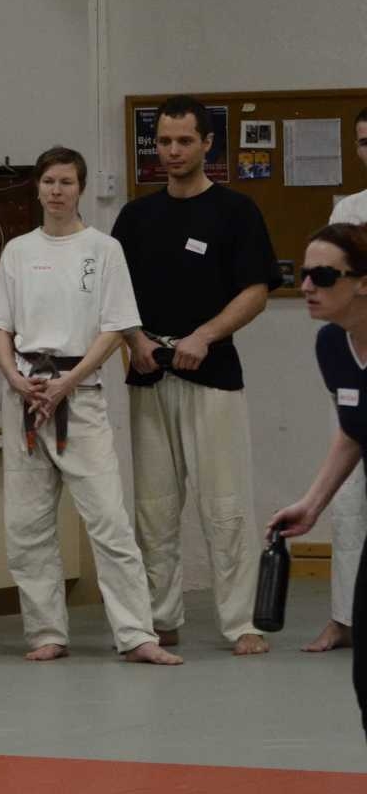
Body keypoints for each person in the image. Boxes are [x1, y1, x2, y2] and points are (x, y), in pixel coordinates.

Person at [0, 147, 179, 664]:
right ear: (37, 187)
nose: (56, 191)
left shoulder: (104, 249)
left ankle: (136, 634)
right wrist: (14, 379)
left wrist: (67, 382)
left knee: (109, 520)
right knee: (27, 525)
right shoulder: (19, 250)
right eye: (48, 181)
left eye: (66, 182)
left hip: (80, 393)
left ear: (81, 188)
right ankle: (46, 631)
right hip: (25, 394)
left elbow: (115, 329)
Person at [116, 95, 279, 657]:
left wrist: (205, 335)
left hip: (213, 375)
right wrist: (134, 339)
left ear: (208, 144)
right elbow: (113, 295)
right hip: (149, 373)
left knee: (225, 504)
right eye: (164, 141)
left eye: (184, 141)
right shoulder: (135, 218)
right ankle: (160, 617)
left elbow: (256, 290)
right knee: (155, 506)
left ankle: (241, 622)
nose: (173, 151)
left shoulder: (236, 212)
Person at [266, 222, 367, 794]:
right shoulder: (333, 345)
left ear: (363, 283)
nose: (306, 286)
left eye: (323, 276)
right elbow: (353, 429)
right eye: (302, 273)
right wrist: (313, 502)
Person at [305, 106, 367, 655]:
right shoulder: (350, 210)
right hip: (356, 358)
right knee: (349, 502)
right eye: (364, 142)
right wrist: (311, 502)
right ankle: (344, 618)